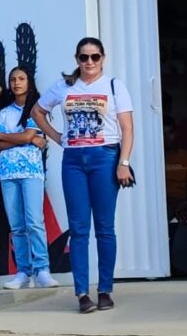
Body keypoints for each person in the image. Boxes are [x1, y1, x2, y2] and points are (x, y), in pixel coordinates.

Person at [39, 39, 138, 313]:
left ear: (103, 58)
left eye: (95, 57)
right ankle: (82, 293)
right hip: (73, 160)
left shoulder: (115, 86)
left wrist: (124, 162)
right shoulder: (64, 86)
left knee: (105, 227)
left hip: (105, 157)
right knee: (79, 229)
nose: (90, 62)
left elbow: (128, 129)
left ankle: (105, 289)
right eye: (84, 57)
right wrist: (58, 137)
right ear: (77, 58)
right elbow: (38, 111)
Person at [0, 67, 56, 290]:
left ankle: (43, 269)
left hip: (31, 171)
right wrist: (21, 139)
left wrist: (9, 136)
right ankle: (23, 271)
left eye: (21, 79)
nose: (17, 83)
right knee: (17, 225)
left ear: (29, 82)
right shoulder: (5, 112)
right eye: (13, 79)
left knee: (34, 222)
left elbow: (27, 135)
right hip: (7, 172)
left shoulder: (37, 110)